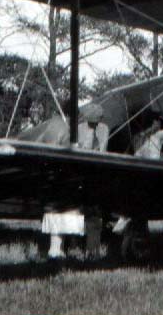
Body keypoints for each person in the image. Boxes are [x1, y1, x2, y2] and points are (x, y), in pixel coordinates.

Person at [42, 103, 108, 259]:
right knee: (86, 212)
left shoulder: (53, 125)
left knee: (58, 212)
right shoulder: (66, 129)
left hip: (56, 177)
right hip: (68, 177)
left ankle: (57, 249)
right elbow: (70, 153)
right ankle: (81, 251)